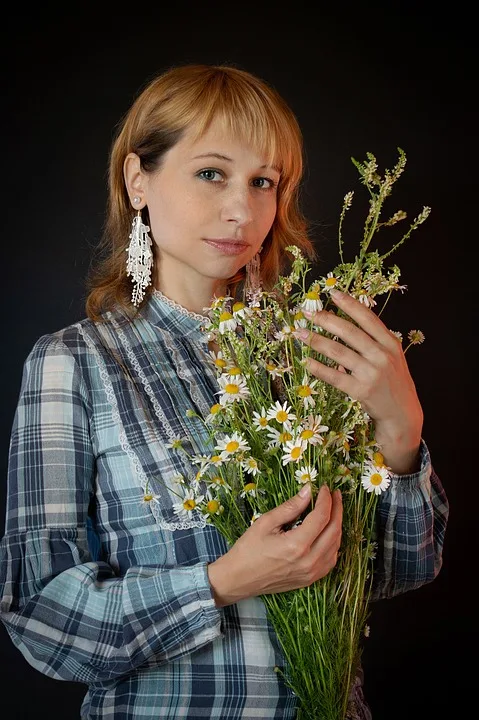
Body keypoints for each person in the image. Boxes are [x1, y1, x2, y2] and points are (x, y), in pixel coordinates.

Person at [0, 63, 448, 720]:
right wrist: (221, 583)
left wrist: (400, 428)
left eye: (262, 182)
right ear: (138, 180)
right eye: (211, 173)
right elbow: (41, 613)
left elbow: (396, 571)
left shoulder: (311, 352)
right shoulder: (77, 362)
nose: (241, 209)